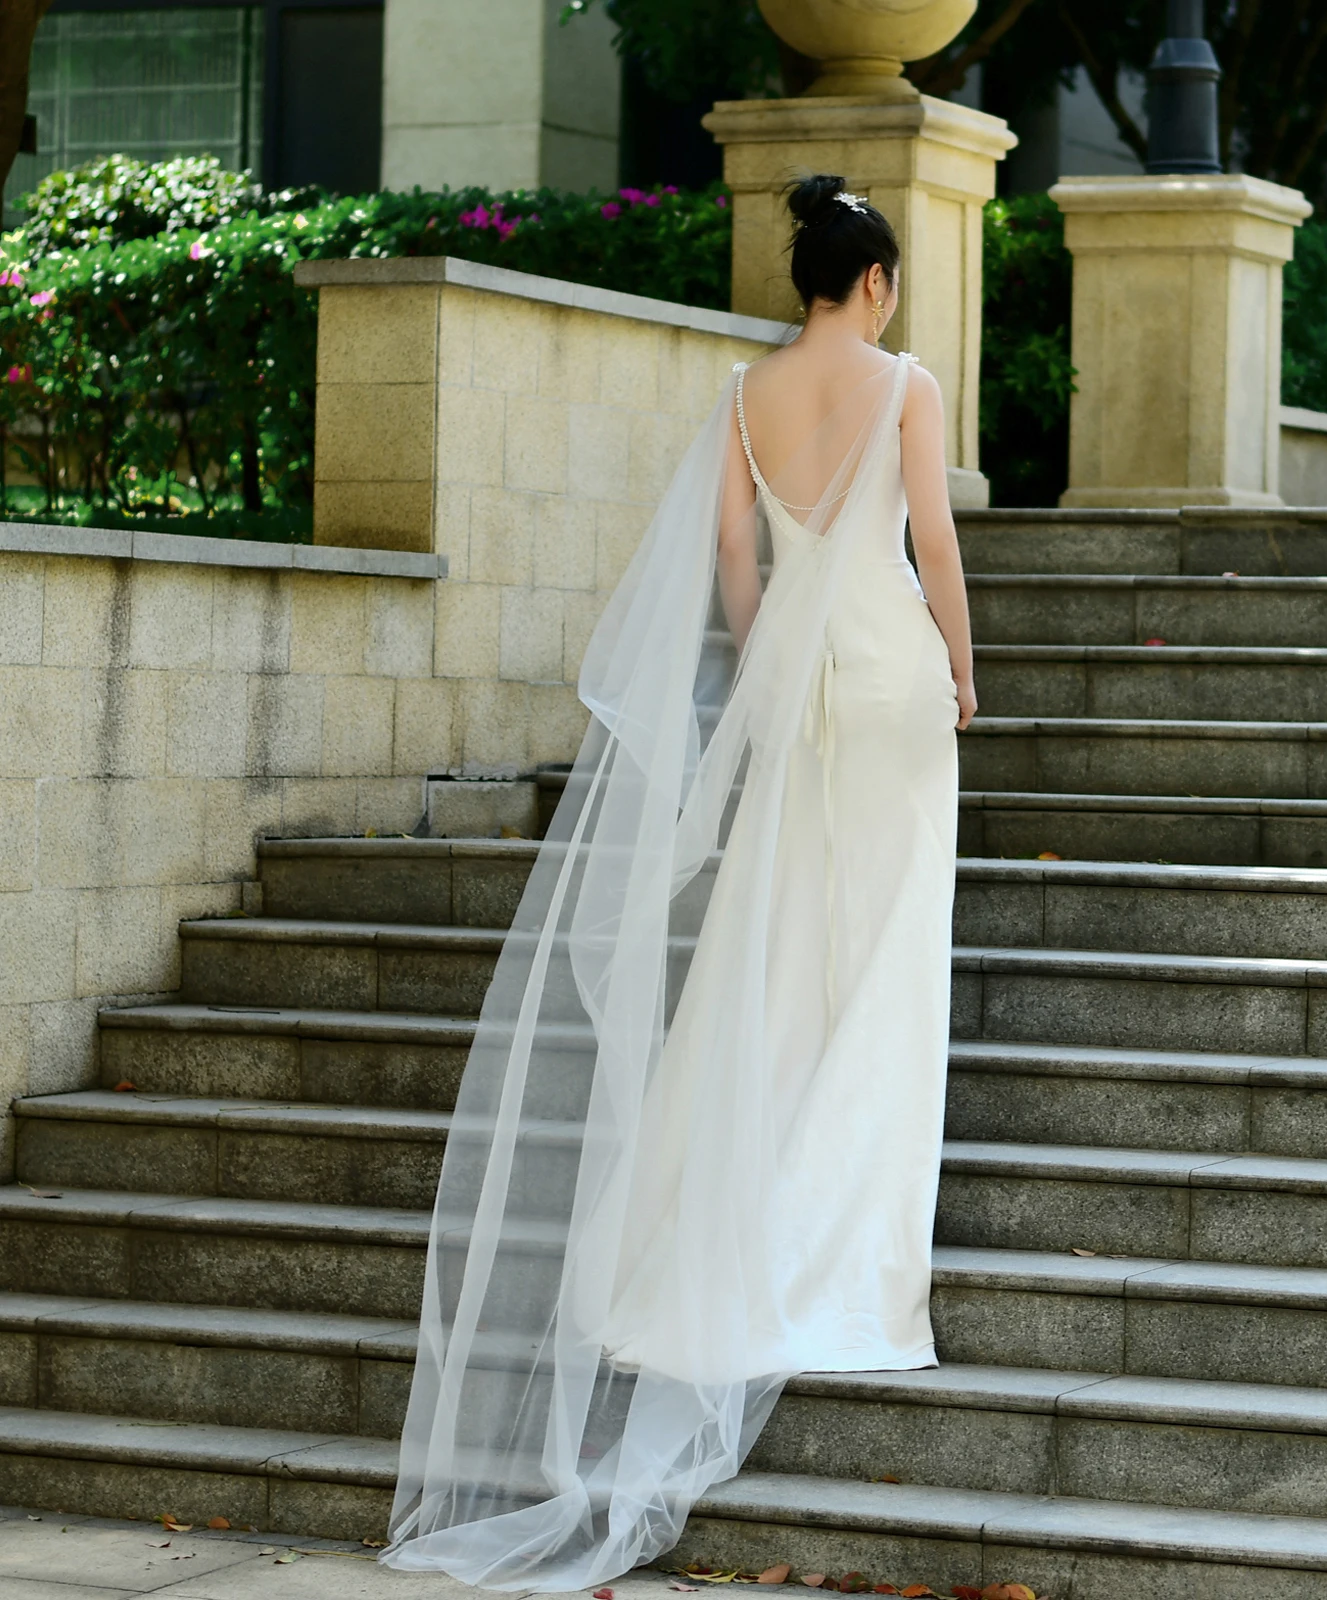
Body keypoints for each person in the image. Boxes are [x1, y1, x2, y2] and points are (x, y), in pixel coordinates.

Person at [381, 173, 977, 1594]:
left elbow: (727, 551)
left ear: (809, 283)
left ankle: (727, 1209)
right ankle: (848, 1218)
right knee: (887, 934)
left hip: (799, 682)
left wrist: (767, 659)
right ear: (878, 280)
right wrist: (964, 661)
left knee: (778, 935)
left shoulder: (741, 392)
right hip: (889, 675)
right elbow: (934, 539)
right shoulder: (906, 381)